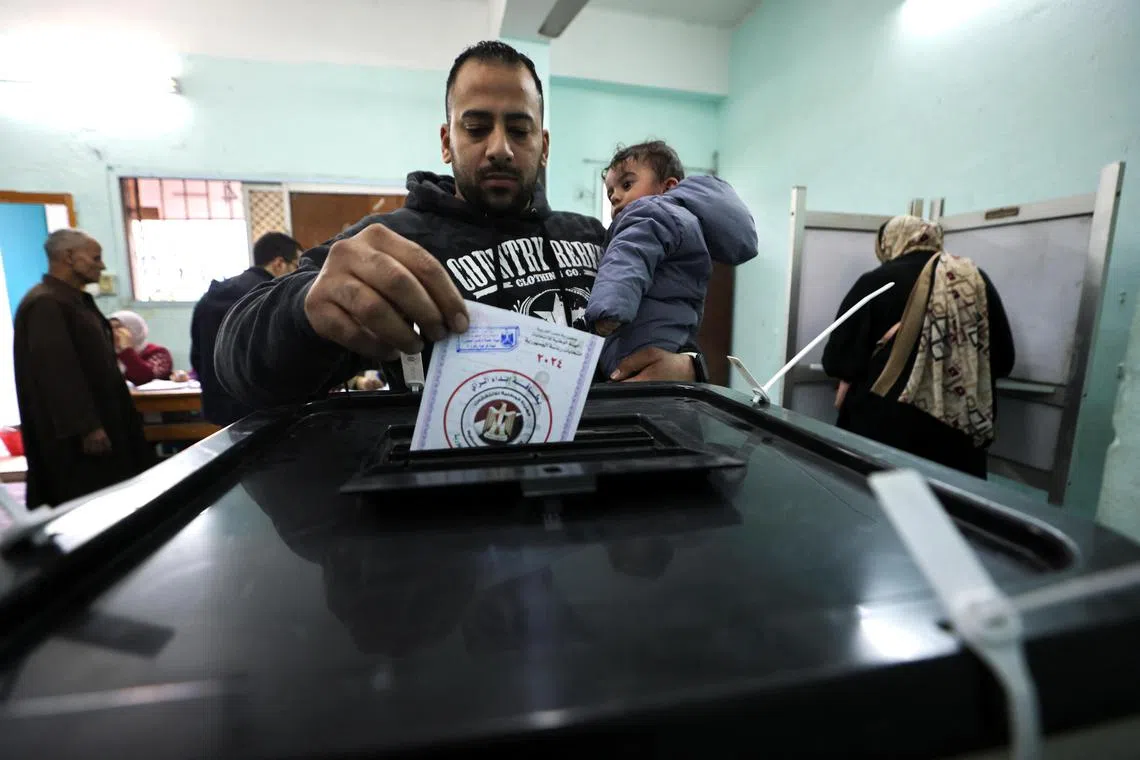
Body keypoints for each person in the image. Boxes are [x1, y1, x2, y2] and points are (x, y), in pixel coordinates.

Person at [214, 41, 706, 410]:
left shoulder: (599, 238)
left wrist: (688, 368)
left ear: (545, 145)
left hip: (603, 500)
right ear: (447, 142)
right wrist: (301, 310)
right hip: (455, 518)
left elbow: (667, 335)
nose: (499, 148)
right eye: (476, 128)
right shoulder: (389, 241)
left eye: (519, 129)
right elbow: (238, 366)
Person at [821, 215, 1015, 478]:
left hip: (885, 429)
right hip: (958, 437)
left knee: (876, 509)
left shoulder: (877, 281)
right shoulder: (975, 280)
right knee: (951, 513)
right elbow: (1003, 360)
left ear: (889, 242)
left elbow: (838, 360)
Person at [582, 140, 757, 377]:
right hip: (670, 340)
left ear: (667, 187)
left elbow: (629, 257)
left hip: (641, 341)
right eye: (611, 192)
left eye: (627, 184)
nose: (615, 197)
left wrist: (608, 308)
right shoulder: (685, 224)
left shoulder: (650, 214)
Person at [13, 229, 154, 508]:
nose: (101, 265)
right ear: (69, 257)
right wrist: (86, 426)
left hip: (105, 416)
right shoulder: (46, 302)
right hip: (77, 435)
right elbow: (56, 371)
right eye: (95, 257)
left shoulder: (74, 300)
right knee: (83, 501)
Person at [190, 232, 301, 425]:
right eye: (297, 266)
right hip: (267, 412)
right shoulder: (274, 296)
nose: (299, 274)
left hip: (220, 412)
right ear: (279, 263)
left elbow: (197, 357)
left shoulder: (210, 297)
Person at [109, 310, 173, 385]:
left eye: (118, 327)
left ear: (134, 329)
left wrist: (126, 350)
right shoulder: (107, 353)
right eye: (110, 328)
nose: (112, 332)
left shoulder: (159, 353)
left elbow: (145, 378)